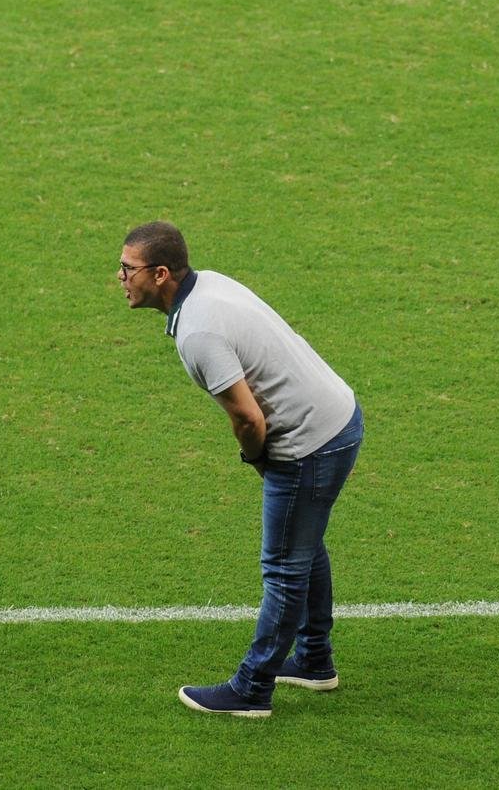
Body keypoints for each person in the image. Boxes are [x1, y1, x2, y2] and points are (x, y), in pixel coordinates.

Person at [117, 221, 364, 718]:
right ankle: (315, 660)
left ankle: (253, 688)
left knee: (284, 567)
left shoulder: (198, 330)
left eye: (128, 269)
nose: (119, 277)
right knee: (303, 544)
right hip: (338, 418)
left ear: (161, 274)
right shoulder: (208, 285)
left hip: (310, 442)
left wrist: (256, 458)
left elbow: (248, 417)